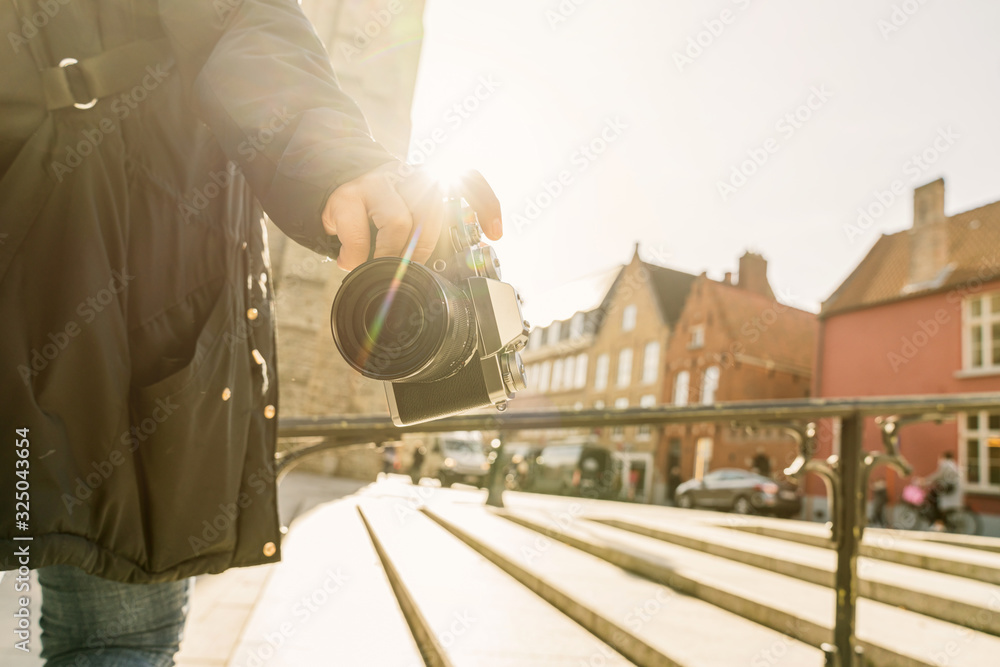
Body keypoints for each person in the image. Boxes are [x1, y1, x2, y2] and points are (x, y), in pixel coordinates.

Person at [0, 1, 501, 664]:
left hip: (73, 248)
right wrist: (339, 159)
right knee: (115, 633)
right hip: (121, 273)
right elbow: (237, 21)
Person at [925, 450, 964, 530]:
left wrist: (925, 480)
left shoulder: (945, 464)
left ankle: (938, 522)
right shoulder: (953, 465)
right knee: (937, 501)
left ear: (944, 457)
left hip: (948, 491)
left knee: (933, 500)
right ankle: (940, 522)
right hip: (952, 491)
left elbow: (938, 475)